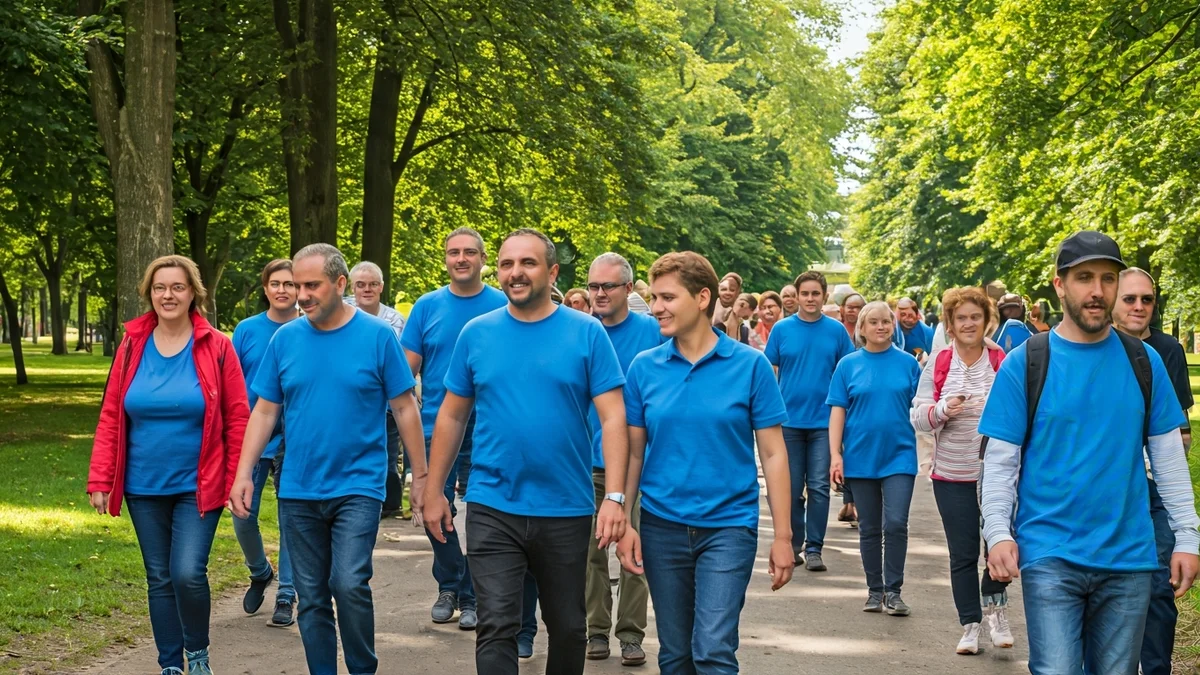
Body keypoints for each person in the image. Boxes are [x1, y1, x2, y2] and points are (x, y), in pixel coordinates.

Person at [979, 231, 1200, 675]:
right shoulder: (1027, 363)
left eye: (1107, 278)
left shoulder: (1144, 362)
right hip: (1050, 554)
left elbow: (1170, 461)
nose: (1097, 291)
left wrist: (1188, 538)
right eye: (1084, 278)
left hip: (1129, 559)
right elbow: (1000, 463)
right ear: (1060, 285)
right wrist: (998, 532)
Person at [422, 228, 628, 675]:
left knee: (569, 625)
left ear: (552, 272)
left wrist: (614, 496)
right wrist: (434, 488)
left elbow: (613, 417)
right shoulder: (477, 334)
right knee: (496, 624)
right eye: (507, 264)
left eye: (528, 263)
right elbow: (452, 416)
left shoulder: (587, 333)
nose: (515, 272)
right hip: (492, 503)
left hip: (565, 506)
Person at [230, 244, 427, 675]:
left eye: (311, 285)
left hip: (358, 485)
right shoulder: (285, 340)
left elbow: (405, 406)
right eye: (297, 285)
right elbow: (264, 410)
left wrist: (422, 477)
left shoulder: (377, 336)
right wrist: (244, 472)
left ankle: (362, 669)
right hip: (299, 487)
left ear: (340, 284)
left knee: (349, 582)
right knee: (313, 594)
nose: (301, 294)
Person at [616, 251, 794, 674]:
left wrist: (784, 536)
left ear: (701, 298)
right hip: (661, 525)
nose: (655, 307)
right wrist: (624, 521)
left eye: (666, 297)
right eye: (654, 297)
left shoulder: (750, 366)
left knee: (713, 649)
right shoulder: (645, 368)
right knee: (675, 654)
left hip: (729, 526)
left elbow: (773, 452)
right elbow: (634, 452)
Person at [89, 255, 249, 675]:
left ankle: (197, 654)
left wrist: (237, 480)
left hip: (199, 485)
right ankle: (169, 665)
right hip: (143, 486)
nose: (168, 295)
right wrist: (101, 477)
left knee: (187, 573)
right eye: (160, 287)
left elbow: (238, 418)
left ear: (194, 292)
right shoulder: (130, 346)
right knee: (159, 577)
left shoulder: (217, 346)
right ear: (148, 293)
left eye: (177, 287)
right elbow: (111, 414)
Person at [401, 228, 508, 631]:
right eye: (453, 253)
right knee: (433, 507)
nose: (460, 258)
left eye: (469, 252)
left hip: (490, 429)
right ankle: (452, 586)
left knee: (483, 514)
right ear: (445, 259)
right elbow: (403, 371)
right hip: (437, 428)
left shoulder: (502, 304)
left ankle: (476, 595)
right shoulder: (427, 307)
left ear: (483, 259)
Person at [909, 287, 1014, 655]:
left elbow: (1021, 412)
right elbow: (918, 417)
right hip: (951, 474)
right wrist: (942, 410)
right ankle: (970, 625)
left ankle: (997, 613)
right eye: (961, 318)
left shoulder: (1003, 360)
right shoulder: (938, 362)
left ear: (987, 320)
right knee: (963, 553)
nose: (969, 323)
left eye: (975, 316)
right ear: (949, 325)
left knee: (997, 548)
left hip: (999, 475)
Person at [1111, 267, 1195, 675]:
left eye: (1146, 300)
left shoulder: (1168, 350)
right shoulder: (1094, 349)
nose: (1139, 307)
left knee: (1160, 587)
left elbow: (1181, 430)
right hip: (1109, 488)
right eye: (1130, 299)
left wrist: (1166, 448)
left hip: (1156, 486)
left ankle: (1156, 668)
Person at [582, 252, 662, 666]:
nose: (598, 293)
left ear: (628, 290)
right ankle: (596, 631)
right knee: (591, 555)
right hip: (585, 463)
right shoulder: (578, 331)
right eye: (593, 286)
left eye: (607, 286)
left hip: (639, 465)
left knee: (634, 552)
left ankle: (631, 634)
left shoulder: (653, 332)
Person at [828, 301, 922, 616]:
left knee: (895, 523)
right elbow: (837, 412)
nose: (881, 327)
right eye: (874, 322)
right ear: (862, 328)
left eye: (886, 322)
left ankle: (894, 591)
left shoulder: (909, 364)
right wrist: (834, 455)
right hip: (860, 456)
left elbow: (923, 406)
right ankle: (874, 590)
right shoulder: (848, 365)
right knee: (869, 527)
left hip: (900, 456)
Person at [765, 271, 854, 573]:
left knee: (818, 487)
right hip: (787, 422)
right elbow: (769, 373)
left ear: (824, 295)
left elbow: (847, 374)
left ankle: (814, 547)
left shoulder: (837, 332)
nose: (811, 299)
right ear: (797, 295)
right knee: (789, 489)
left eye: (816, 293)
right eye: (805, 293)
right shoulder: (781, 330)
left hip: (823, 422)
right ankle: (792, 544)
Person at [230, 259, 300, 628]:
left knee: (292, 518)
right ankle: (260, 571)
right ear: (266, 288)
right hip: (252, 436)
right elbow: (232, 383)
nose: (283, 290)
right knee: (242, 514)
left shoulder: (309, 328)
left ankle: (287, 592)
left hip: (296, 439)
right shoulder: (247, 330)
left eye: (290, 283)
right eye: (276, 283)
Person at [344, 261, 408, 519]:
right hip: (351, 400)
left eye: (372, 284)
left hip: (386, 402)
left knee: (388, 456)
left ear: (381, 287)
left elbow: (388, 361)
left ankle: (389, 503)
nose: (366, 289)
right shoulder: (340, 310)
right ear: (352, 287)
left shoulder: (394, 319)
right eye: (360, 285)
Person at [835, 291, 866, 525]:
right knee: (843, 450)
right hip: (836, 399)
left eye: (858, 307)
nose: (853, 311)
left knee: (853, 451)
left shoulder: (869, 333)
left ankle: (853, 504)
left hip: (860, 402)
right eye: (850, 307)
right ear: (842, 309)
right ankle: (850, 502)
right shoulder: (836, 332)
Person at [896, 297, 934, 362]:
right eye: (903, 315)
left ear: (917, 315)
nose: (906, 318)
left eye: (910, 316)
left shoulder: (926, 332)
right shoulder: (895, 331)